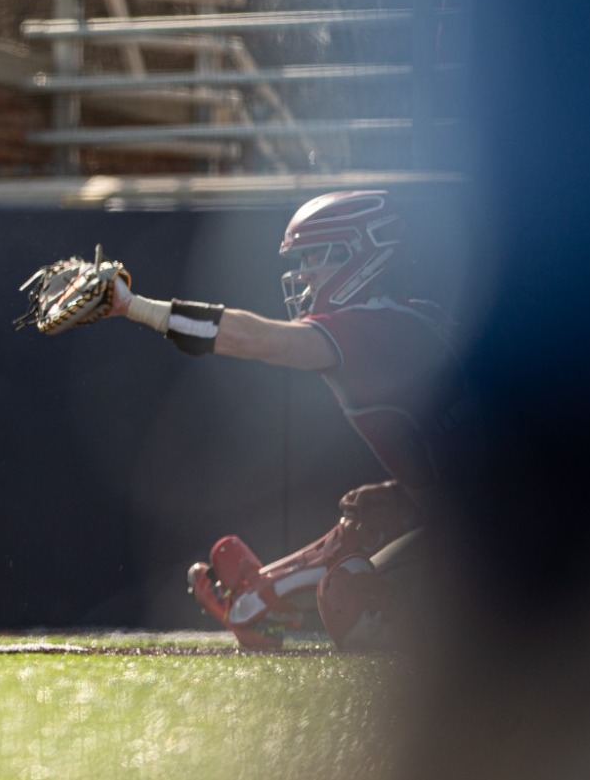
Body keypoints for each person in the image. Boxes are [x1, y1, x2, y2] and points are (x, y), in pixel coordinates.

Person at [106, 189, 462, 649]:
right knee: (371, 519)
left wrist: (134, 307)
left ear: (362, 254)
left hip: (511, 527)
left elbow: (256, 339)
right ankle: (262, 600)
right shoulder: (402, 317)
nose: (305, 272)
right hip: (496, 507)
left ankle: (476, 652)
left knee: (350, 598)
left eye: (318, 256)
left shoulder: (370, 327)